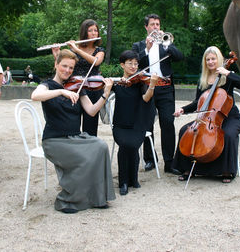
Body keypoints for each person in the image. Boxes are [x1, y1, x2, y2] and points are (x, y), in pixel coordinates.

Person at [31, 49, 115, 214]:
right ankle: (66, 200)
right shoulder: (47, 85)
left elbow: (91, 111)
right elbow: (35, 95)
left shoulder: (77, 86)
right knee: (84, 158)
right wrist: (62, 91)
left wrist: (105, 94)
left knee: (101, 146)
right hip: (54, 140)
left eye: (71, 68)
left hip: (74, 137)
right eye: (64, 66)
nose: (67, 71)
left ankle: (97, 198)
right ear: (56, 64)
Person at [172, 46, 240, 183]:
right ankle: (188, 169)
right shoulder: (203, 79)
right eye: (208, 60)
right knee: (185, 131)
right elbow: (198, 102)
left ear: (219, 59)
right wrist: (183, 109)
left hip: (229, 117)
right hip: (208, 119)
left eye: (213, 59)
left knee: (229, 134)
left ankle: (226, 171)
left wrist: (228, 73)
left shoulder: (227, 76)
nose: (211, 62)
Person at [132, 14, 184, 174]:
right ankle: (150, 159)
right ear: (146, 27)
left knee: (168, 123)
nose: (156, 27)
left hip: (165, 88)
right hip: (147, 88)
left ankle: (169, 162)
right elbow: (135, 65)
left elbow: (180, 57)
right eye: (152, 24)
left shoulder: (166, 43)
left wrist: (166, 44)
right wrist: (147, 49)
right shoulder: (138, 46)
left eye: (158, 24)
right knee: (147, 124)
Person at [111, 50, 158, 195]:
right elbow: (103, 89)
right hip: (120, 125)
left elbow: (146, 98)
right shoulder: (117, 83)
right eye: (130, 63)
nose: (133, 66)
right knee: (125, 144)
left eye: (136, 64)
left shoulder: (140, 82)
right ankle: (124, 181)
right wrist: (112, 84)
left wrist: (152, 85)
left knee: (132, 144)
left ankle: (132, 179)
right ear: (122, 65)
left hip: (138, 124)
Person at [52, 19, 105, 136]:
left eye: (95, 30)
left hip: (93, 88)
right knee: (72, 120)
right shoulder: (75, 48)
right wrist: (56, 54)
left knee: (90, 125)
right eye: (90, 30)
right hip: (74, 88)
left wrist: (76, 50)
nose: (93, 33)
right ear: (84, 32)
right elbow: (64, 65)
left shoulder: (99, 50)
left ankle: (89, 149)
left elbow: (96, 62)